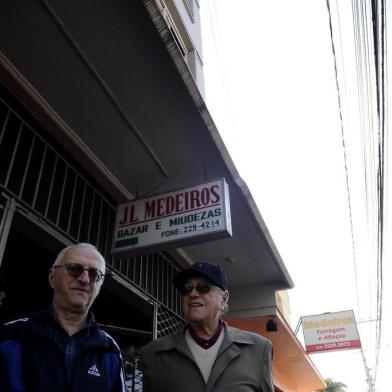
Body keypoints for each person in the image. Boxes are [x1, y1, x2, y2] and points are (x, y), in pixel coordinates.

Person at [0, 243, 126, 391]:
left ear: (100, 285)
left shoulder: (109, 349)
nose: (85, 279)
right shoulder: (9, 336)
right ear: (52, 277)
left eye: (94, 274)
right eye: (74, 269)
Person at [140, 260, 274, 392]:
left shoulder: (259, 350)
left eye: (203, 287)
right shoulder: (153, 354)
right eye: (186, 288)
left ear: (224, 298)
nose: (192, 294)